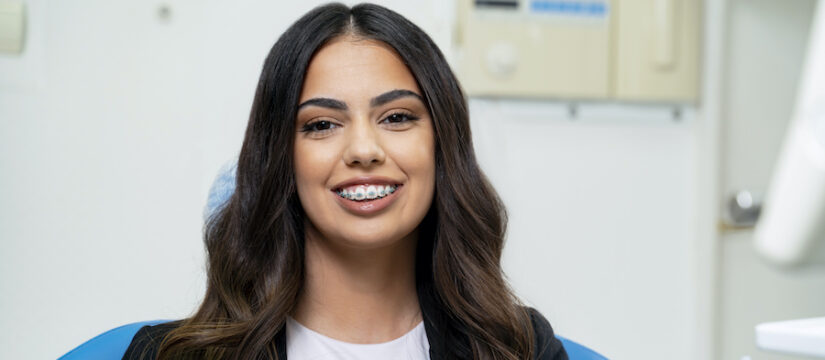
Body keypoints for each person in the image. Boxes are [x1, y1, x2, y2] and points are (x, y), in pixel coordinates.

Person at [123, 3, 568, 359]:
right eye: (321, 125)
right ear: (281, 158)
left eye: (396, 117)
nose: (362, 149)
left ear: (441, 146)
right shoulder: (167, 355)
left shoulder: (520, 348)